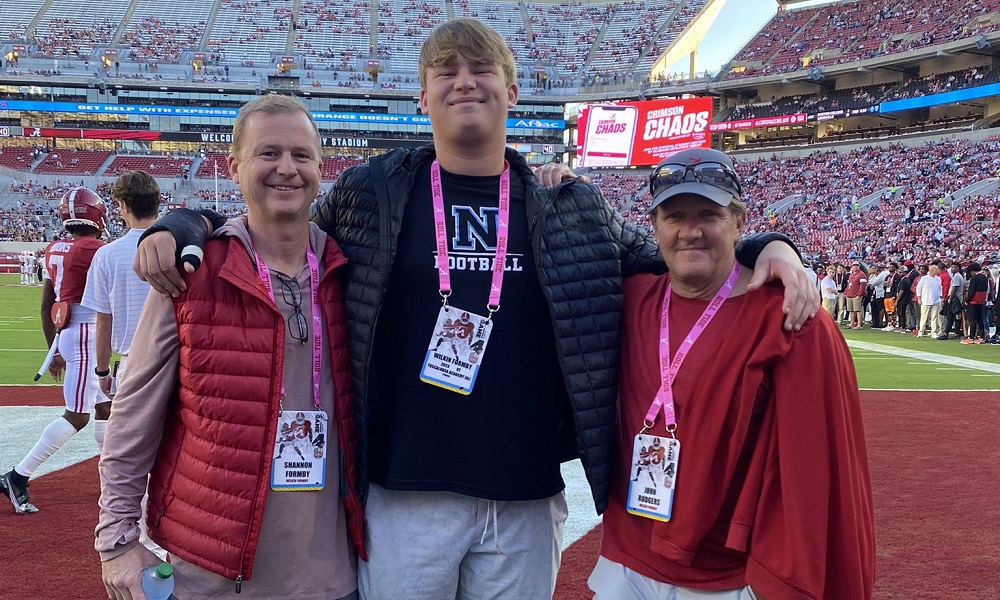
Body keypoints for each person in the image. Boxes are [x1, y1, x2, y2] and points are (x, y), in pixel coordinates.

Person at [132, 19, 817, 600]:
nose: (466, 82)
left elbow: (677, 252)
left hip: (523, 495)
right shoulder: (373, 193)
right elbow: (274, 219)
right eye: (447, 71)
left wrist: (768, 242)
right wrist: (186, 222)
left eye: (481, 69)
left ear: (511, 90)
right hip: (403, 493)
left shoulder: (570, 205)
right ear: (422, 94)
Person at [96, 95, 364, 600]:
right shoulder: (189, 274)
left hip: (334, 579)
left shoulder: (352, 270)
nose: (286, 168)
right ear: (233, 164)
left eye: (301, 155)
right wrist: (115, 541)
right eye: (269, 153)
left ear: (320, 169)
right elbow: (133, 415)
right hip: (213, 579)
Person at [590, 148, 874, 600]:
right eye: (674, 216)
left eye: (709, 214)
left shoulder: (791, 319)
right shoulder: (630, 297)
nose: (690, 231)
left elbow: (816, 474)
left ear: (741, 223)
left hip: (727, 578)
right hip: (629, 558)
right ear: (655, 226)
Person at [1, 187, 109, 514]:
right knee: (77, 415)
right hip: (88, 334)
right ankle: (18, 476)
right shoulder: (95, 248)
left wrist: (55, 348)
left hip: (71, 333)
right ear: (96, 215)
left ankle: (110, 480)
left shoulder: (52, 249)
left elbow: (47, 304)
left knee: (106, 409)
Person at [81, 170, 160, 399]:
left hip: (133, 362)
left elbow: (103, 323)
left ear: (123, 205)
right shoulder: (179, 245)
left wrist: (103, 370)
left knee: (132, 433)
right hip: (176, 360)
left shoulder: (106, 255)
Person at [915, 264, 943, 338]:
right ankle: (921, 331)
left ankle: (934, 332)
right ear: (931, 270)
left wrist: (940, 296)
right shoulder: (924, 278)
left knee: (934, 317)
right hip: (926, 300)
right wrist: (919, 298)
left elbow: (940, 288)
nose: (937, 271)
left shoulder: (938, 279)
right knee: (924, 317)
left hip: (936, 301)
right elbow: (918, 288)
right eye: (936, 269)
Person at [963, 262, 988, 343]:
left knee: (972, 320)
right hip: (981, 300)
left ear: (972, 271)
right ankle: (981, 336)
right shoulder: (985, 277)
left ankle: (971, 337)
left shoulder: (974, 278)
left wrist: (967, 300)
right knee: (980, 319)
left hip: (973, 300)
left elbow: (972, 291)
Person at [844, 261, 867, 329]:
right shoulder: (851, 274)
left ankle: (859, 324)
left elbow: (863, 285)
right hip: (850, 294)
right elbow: (849, 284)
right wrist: (846, 292)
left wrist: (860, 294)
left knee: (858, 310)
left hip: (856, 295)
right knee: (851, 310)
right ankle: (852, 323)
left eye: (857, 265)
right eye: (854, 265)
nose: (855, 266)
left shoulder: (861, 274)